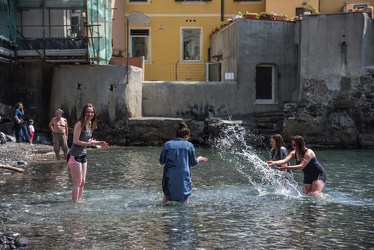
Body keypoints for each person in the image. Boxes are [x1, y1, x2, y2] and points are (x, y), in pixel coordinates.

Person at [66, 103, 109, 202]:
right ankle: (75, 204)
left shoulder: (90, 124)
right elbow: (75, 141)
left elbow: (88, 141)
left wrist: (99, 142)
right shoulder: (79, 124)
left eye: (92, 112)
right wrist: (88, 144)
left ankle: (79, 201)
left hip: (83, 155)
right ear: (84, 113)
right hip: (74, 155)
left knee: (82, 181)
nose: (90, 114)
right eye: (88, 112)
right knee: (76, 182)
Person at [159, 121, 208, 204]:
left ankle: (163, 212)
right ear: (186, 136)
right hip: (183, 175)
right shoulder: (189, 145)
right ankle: (185, 214)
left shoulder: (167, 144)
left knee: (167, 194)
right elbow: (193, 162)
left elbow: (161, 161)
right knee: (186, 195)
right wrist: (199, 159)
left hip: (169, 175)